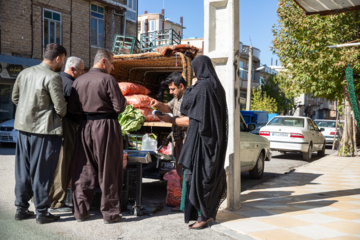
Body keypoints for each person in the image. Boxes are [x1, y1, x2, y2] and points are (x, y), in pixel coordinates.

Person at [158, 55, 228, 230]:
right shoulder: (217, 87)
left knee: (197, 177)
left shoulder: (202, 87)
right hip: (214, 140)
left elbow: (186, 106)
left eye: (195, 69)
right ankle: (208, 213)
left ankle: (202, 216)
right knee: (208, 175)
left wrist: (193, 84)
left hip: (201, 141)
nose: (195, 73)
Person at [68, 49, 126, 224]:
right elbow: (120, 107)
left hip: (85, 127)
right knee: (109, 169)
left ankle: (80, 212)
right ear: (103, 62)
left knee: (84, 169)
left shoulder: (78, 81)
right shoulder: (108, 80)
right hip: (106, 127)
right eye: (111, 63)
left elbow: (72, 108)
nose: (113, 67)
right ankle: (110, 214)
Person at [12, 43, 67, 224]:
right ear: (58, 58)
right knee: (42, 173)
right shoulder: (52, 77)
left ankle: (21, 209)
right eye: (63, 60)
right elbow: (61, 108)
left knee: (23, 171)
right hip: (44, 130)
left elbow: (15, 98)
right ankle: (42, 213)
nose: (63, 65)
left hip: (23, 128)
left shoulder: (24, 73)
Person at [49, 56, 85, 212]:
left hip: (51, 127)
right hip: (66, 126)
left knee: (52, 163)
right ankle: (56, 202)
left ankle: (42, 198)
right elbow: (74, 111)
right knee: (63, 163)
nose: (82, 73)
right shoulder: (70, 85)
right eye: (81, 70)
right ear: (72, 69)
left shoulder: (56, 79)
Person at [150, 72, 188, 180]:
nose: (170, 92)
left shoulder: (189, 98)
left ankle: (185, 195)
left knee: (186, 172)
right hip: (177, 139)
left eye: (172, 89)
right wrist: (158, 104)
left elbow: (190, 121)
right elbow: (168, 107)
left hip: (186, 140)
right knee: (180, 171)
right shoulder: (177, 98)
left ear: (181, 86)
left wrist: (170, 119)